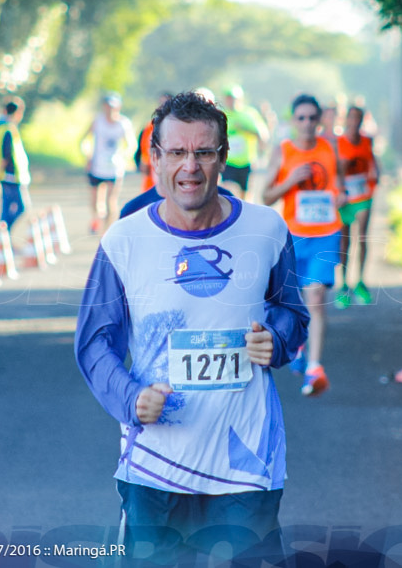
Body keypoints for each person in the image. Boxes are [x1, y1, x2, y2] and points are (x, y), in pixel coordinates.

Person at [75, 91, 309, 564]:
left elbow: (292, 312)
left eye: (203, 152)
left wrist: (277, 339)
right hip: (157, 466)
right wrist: (129, 398)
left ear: (223, 157)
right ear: (155, 158)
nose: (191, 167)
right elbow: (95, 342)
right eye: (178, 152)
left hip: (246, 464)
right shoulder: (125, 240)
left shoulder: (266, 230)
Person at [262, 93, 345, 396]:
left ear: (320, 120)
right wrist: (290, 180)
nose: (308, 124)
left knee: (316, 295)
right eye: (302, 118)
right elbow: (266, 195)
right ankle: (297, 345)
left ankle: (314, 366)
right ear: (293, 121)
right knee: (291, 300)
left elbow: (342, 185)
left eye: (313, 118)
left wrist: (341, 196)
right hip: (294, 236)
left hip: (326, 232)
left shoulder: (331, 147)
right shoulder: (283, 151)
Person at [334, 104, 381, 309]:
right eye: (351, 118)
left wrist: (376, 176)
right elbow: (334, 170)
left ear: (362, 121)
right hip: (345, 198)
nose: (354, 122)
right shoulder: (338, 143)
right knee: (345, 242)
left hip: (363, 195)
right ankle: (343, 284)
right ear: (346, 120)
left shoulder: (367, 141)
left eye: (358, 118)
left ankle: (360, 281)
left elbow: (372, 161)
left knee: (362, 237)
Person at [82, 92, 136, 234]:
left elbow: (131, 145)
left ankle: (108, 231)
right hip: (96, 166)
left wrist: (124, 157)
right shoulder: (97, 121)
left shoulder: (123, 123)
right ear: (103, 107)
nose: (110, 110)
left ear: (118, 107)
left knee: (111, 201)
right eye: (107, 106)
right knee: (95, 203)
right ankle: (97, 219)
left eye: (113, 107)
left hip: (114, 168)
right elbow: (84, 140)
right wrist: (87, 156)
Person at [0, 97, 31, 233]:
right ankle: (4, 233)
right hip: (11, 175)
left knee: (6, 207)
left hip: (5, 175)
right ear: (17, 113)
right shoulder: (8, 129)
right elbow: (6, 155)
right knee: (22, 206)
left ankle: (4, 237)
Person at [221, 84, 270, 200]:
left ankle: (245, 214)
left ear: (240, 99)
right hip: (229, 161)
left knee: (245, 194)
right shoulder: (221, 115)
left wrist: (261, 155)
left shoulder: (249, 114)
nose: (231, 101)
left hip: (246, 161)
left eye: (234, 98)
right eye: (229, 98)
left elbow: (262, 135)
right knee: (228, 190)